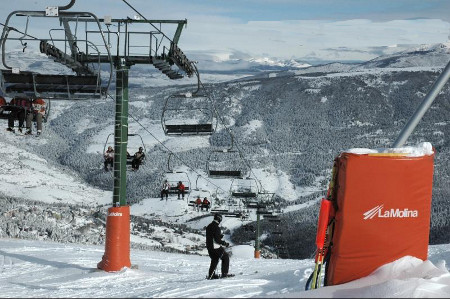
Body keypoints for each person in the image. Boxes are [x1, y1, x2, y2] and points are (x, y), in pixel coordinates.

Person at [206, 214, 233, 279]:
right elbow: (217, 240)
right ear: (219, 219)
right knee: (225, 257)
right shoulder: (217, 228)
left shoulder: (209, 226)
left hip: (209, 247)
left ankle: (211, 275)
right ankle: (224, 274)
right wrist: (224, 243)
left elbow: (211, 236)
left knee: (215, 259)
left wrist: (219, 236)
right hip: (215, 247)